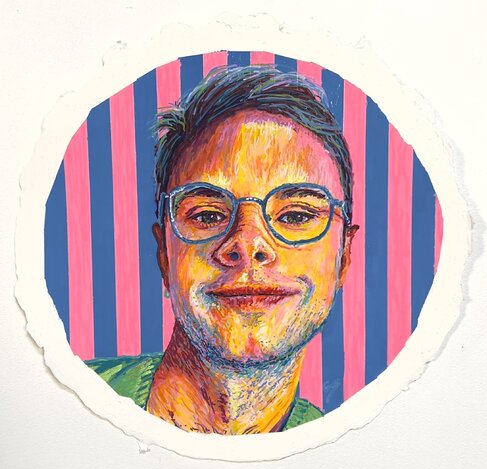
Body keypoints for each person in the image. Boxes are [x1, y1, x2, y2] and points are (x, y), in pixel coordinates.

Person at [87, 65, 357, 434]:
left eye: (296, 215)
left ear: (344, 257)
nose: (248, 244)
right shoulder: (67, 402)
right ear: (164, 256)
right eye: (208, 215)